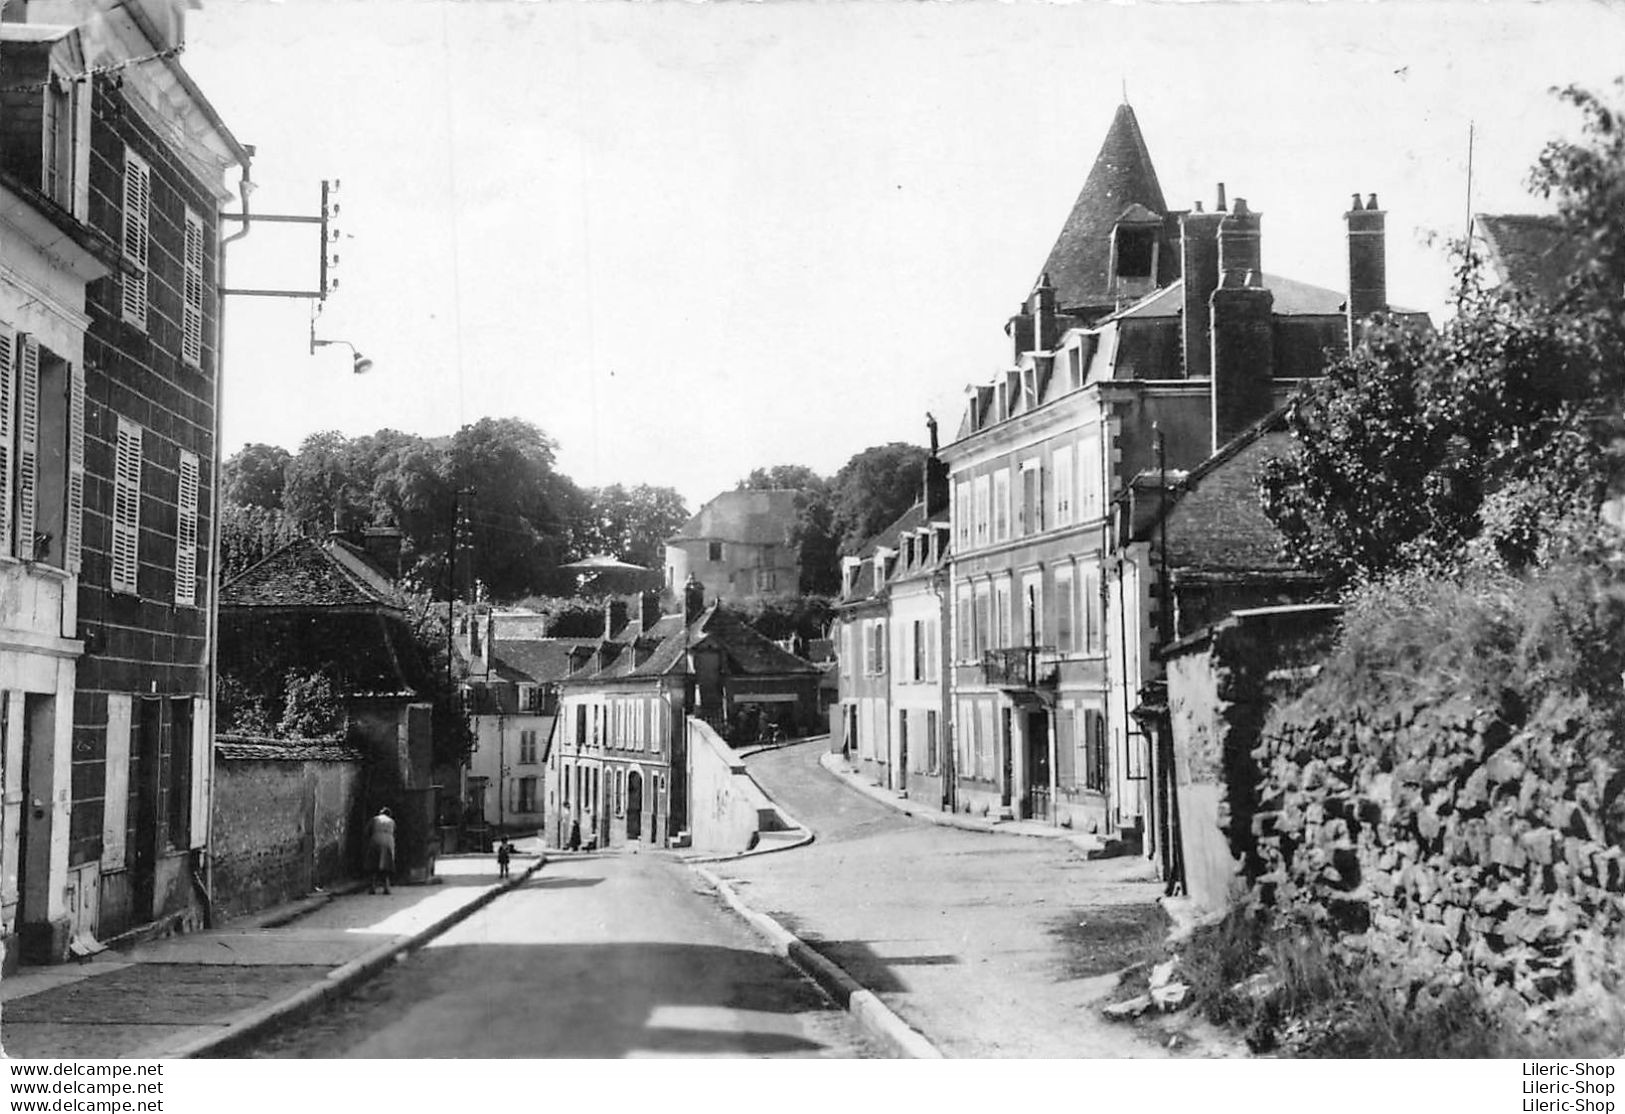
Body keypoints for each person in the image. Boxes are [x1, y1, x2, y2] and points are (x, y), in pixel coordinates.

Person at [366, 806, 397, 894]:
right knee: (387, 866)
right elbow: (394, 831)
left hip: (376, 840)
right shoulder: (392, 821)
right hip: (388, 842)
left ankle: (372, 887)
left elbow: (367, 830)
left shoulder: (374, 819)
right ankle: (386, 888)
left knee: (373, 864)